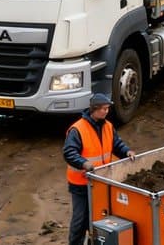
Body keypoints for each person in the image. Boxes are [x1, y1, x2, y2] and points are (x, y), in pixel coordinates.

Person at [63, 93, 136, 245]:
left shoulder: (108, 126)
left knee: (98, 216)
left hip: (100, 181)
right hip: (81, 184)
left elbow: (117, 144)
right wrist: (84, 164)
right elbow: (69, 153)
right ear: (94, 109)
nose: (106, 111)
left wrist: (126, 152)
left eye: (108, 108)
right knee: (80, 220)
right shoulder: (77, 129)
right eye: (103, 109)